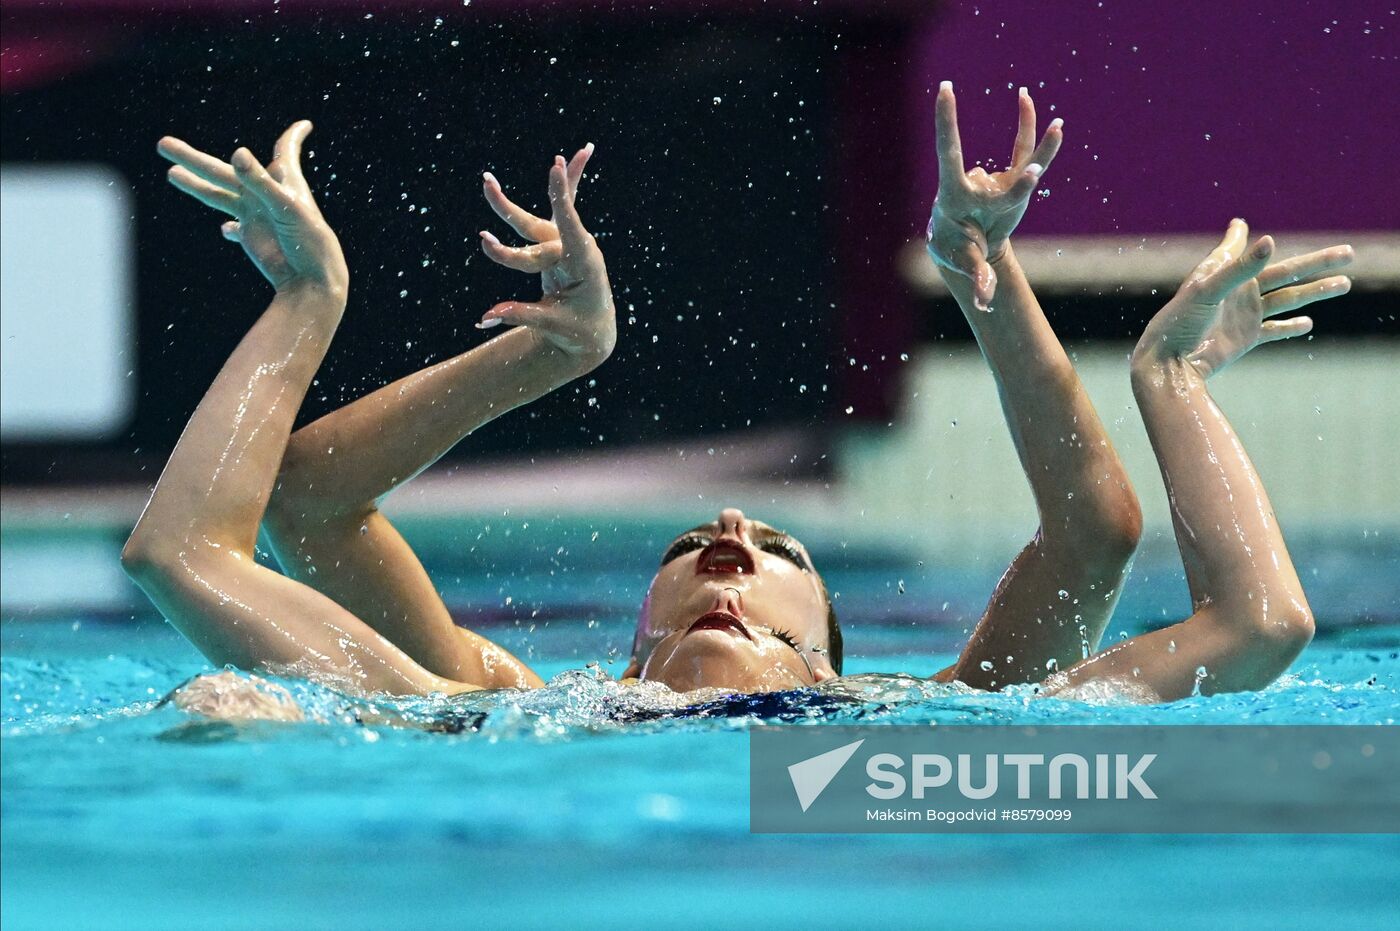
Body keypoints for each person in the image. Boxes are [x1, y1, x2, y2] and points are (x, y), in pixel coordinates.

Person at [123, 84, 1354, 715]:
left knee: (238, 706)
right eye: (694, 540)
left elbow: (1222, 605)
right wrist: (321, 310)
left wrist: (1164, 376)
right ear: (634, 634)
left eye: (770, 545)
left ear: (829, 639)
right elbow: (282, 517)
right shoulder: (487, 709)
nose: (725, 536)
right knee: (232, 706)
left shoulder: (927, 732)